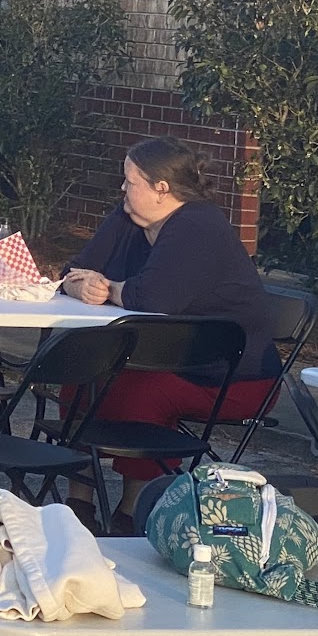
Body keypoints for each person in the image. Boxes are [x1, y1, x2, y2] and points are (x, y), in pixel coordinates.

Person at [60, 136, 281, 532]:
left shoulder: (198, 224)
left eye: (130, 180)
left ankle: (134, 513)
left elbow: (153, 297)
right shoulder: (130, 216)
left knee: (138, 391)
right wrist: (76, 285)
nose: (122, 188)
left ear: (161, 189)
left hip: (233, 376)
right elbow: (75, 268)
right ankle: (80, 503)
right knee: (79, 375)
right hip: (169, 359)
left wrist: (107, 288)